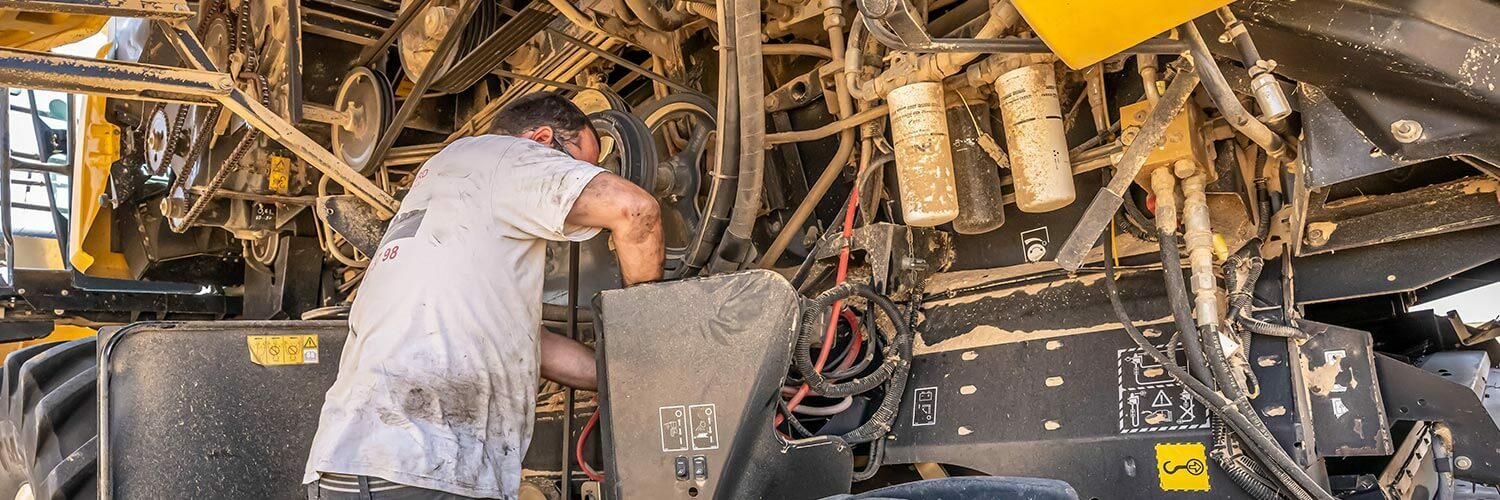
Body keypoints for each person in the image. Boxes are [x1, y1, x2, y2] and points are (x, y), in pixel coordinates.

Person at [303, 92, 664, 499]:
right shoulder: (506, 156)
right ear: (543, 140)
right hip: (420, 470)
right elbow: (635, 210)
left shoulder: (446, 186)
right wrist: (645, 333)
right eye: (581, 167)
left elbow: (529, 347)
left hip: (348, 471)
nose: (584, 179)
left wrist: (626, 373)